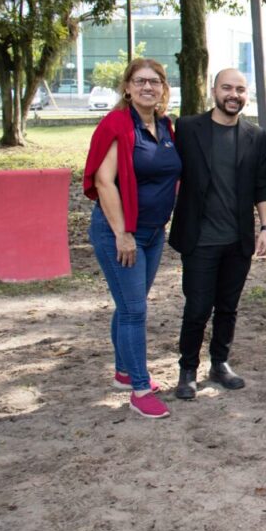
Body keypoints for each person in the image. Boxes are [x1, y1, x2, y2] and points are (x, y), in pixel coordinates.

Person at [83, 58, 181, 419]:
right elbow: (103, 181)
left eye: (154, 82)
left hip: (154, 232)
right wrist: (122, 233)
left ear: (163, 88)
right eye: (139, 81)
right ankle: (139, 388)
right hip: (120, 233)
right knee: (135, 311)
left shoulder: (166, 127)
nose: (147, 87)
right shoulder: (117, 125)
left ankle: (124, 372)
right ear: (127, 87)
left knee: (130, 304)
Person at [168, 68, 266, 399]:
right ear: (214, 90)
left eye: (240, 89)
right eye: (227, 88)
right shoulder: (186, 129)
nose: (234, 94)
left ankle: (220, 363)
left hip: (238, 240)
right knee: (198, 308)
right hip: (199, 239)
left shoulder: (255, 135)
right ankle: (187, 370)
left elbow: (261, 186)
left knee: (228, 307)